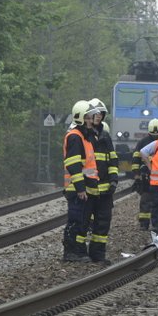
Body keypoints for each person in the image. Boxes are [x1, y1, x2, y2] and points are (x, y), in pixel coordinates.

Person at [61, 99, 97, 263]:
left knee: (81, 220)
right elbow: (73, 165)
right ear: (80, 118)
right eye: (88, 117)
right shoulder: (75, 137)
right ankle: (70, 252)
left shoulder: (84, 136)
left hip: (81, 187)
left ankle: (78, 251)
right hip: (76, 189)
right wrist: (81, 188)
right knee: (75, 220)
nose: (91, 120)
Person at [84, 99, 118, 265]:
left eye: (100, 114)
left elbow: (112, 160)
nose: (97, 116)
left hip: (104, 190)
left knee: (103, 223)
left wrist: (113, 181)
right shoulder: (83, 135)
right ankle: (79, 253)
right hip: (88, 188)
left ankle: (98, 255)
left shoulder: (105, 136)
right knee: (83, 223)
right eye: (94, 114)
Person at [132, 118, 158, 235]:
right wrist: (136, 175)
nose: (156, 137)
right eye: (153, 135)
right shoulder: (143, 142)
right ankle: (144, 224)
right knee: (145, 200)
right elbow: (136, 159)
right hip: (146, 176)